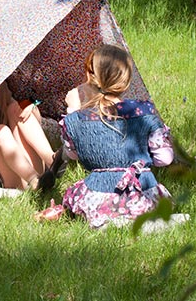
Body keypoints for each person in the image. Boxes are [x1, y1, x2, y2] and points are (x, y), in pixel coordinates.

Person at [42, 44, 174, 227]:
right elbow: (164, 159)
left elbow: (72, 154)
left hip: (98, 197)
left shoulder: (78, 119)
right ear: (126, 81)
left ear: (89, 76)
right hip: (143, 194)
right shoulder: (144, 113)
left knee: (74, 198)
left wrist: (73, 110)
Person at [0, 80, 68, 191]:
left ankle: (51, 160)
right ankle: (34, 180)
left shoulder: (2, 103)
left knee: (17, 108)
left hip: (24, 168)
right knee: (0, 131)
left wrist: (31, 105)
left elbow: (34, 114)